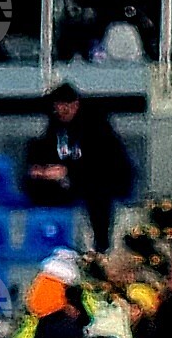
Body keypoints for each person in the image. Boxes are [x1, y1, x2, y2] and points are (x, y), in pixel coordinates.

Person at [24, 80, 138, 251]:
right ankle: (47, 239)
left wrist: (68, 171)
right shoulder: (55, 126)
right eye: (58, 106)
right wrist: (42, 170)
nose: (61, 110)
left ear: (75, 104)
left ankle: (101, 246)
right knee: (35, 184)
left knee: (97, 192)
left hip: (102, 178)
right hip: (66, 181)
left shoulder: (97, 126)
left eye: (65, 106)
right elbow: (46, 151)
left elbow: (103, 163)